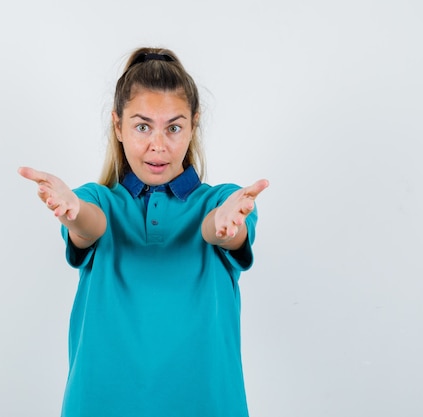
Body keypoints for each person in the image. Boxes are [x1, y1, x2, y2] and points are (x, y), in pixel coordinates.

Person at [18, 47, 269, 417]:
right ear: (117, 125)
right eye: (142, 126)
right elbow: (91, 224)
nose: (158, 144)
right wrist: (72, 212)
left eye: (174, 127)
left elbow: (218, 229)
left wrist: (225, 226)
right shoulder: (97, 200)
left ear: (193, 126)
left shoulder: (224, 201)